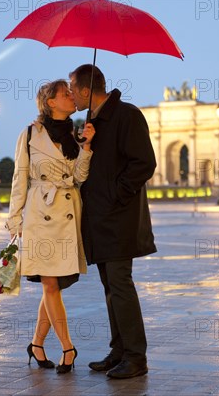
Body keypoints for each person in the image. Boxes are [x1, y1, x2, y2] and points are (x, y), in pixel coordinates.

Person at [69, 64, 157, 379]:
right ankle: (119, 352)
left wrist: (116, 195)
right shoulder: (94, 122)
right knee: (111, 286)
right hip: (102, 220)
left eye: (71, 88)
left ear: (84, 89)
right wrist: (86, 146)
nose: (69, 94)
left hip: (119, 218)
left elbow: (145, 163)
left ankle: (136, 357)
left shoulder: (127, 115)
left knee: (120, 284)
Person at [5, 79, 95, 374]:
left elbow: (80, 177)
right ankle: (68, 348)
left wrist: (88, 148)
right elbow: (19, 178)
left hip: (67, 212)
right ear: (51, 102)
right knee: (50, 284)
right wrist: (14, 219)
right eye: (66, 94)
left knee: (52, 285)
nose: (73, 97)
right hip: (39, 215)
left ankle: (37, 344)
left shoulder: (75, 132)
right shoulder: (30, 134)